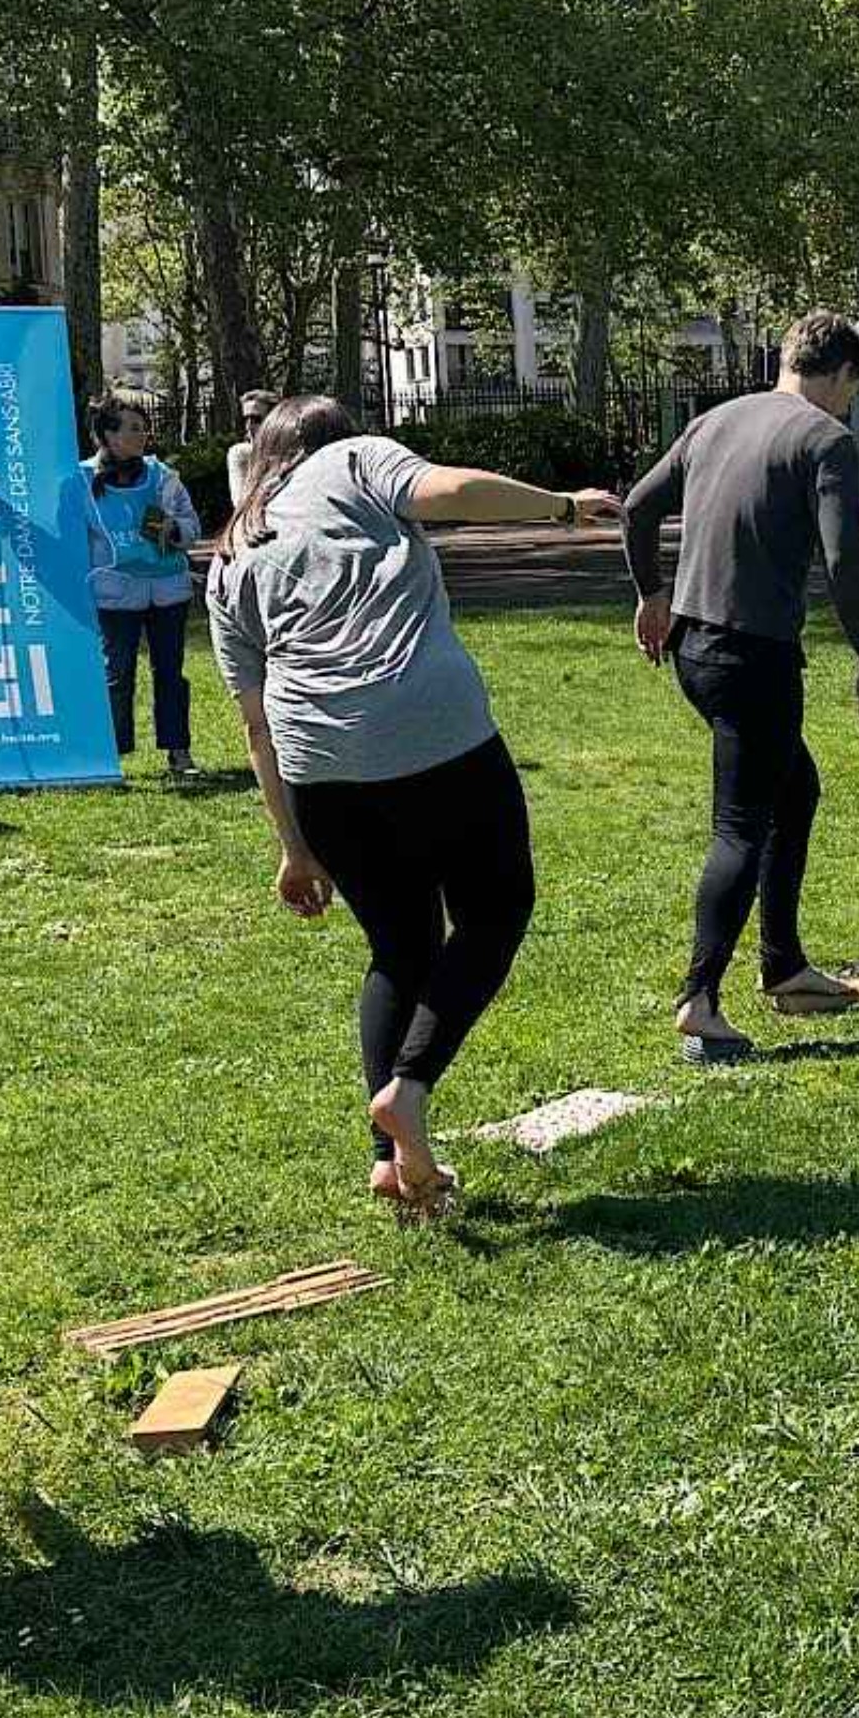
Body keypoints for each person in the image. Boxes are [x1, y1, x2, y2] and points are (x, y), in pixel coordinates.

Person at [209, 396, 619, 1215]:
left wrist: (293, 847)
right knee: (497, 911)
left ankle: (393, 1162)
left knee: (399, 950)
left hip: (321, 770)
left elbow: (255, 725)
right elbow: (458, 494)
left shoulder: (229, 556)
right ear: (332, 439)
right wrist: (565, 508)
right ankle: (410, 1093)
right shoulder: (354, 460)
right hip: (434, 739)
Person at [624, 310, 859, 1062]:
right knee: (740, 824)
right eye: (853, 391)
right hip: (754, 656)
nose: (849, 406)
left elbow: (639, 507)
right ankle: (699, 1000)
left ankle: (786, 967)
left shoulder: (714, 421)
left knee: (793, 788)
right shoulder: (825, 439)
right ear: (839, 374)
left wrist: (650, 593)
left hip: (694, 650)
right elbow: (845, 561)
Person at [81, 397, 205, 778]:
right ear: (107, 434)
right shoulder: (80, 480)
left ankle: (178, 754)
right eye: (132, 427)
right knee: (117, 674)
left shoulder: (163, 476)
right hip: (115, 596)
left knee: (170, 673)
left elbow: (192, 527)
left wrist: (174, 530)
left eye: (143, 427)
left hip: (167, 591)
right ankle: (113, 755)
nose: (142, 435)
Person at [226, 389, 280, 518]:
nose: (249, 426)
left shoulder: (292, 454)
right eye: (246, 419)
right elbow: (241, 503)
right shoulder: (241, 454)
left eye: (256, 419)